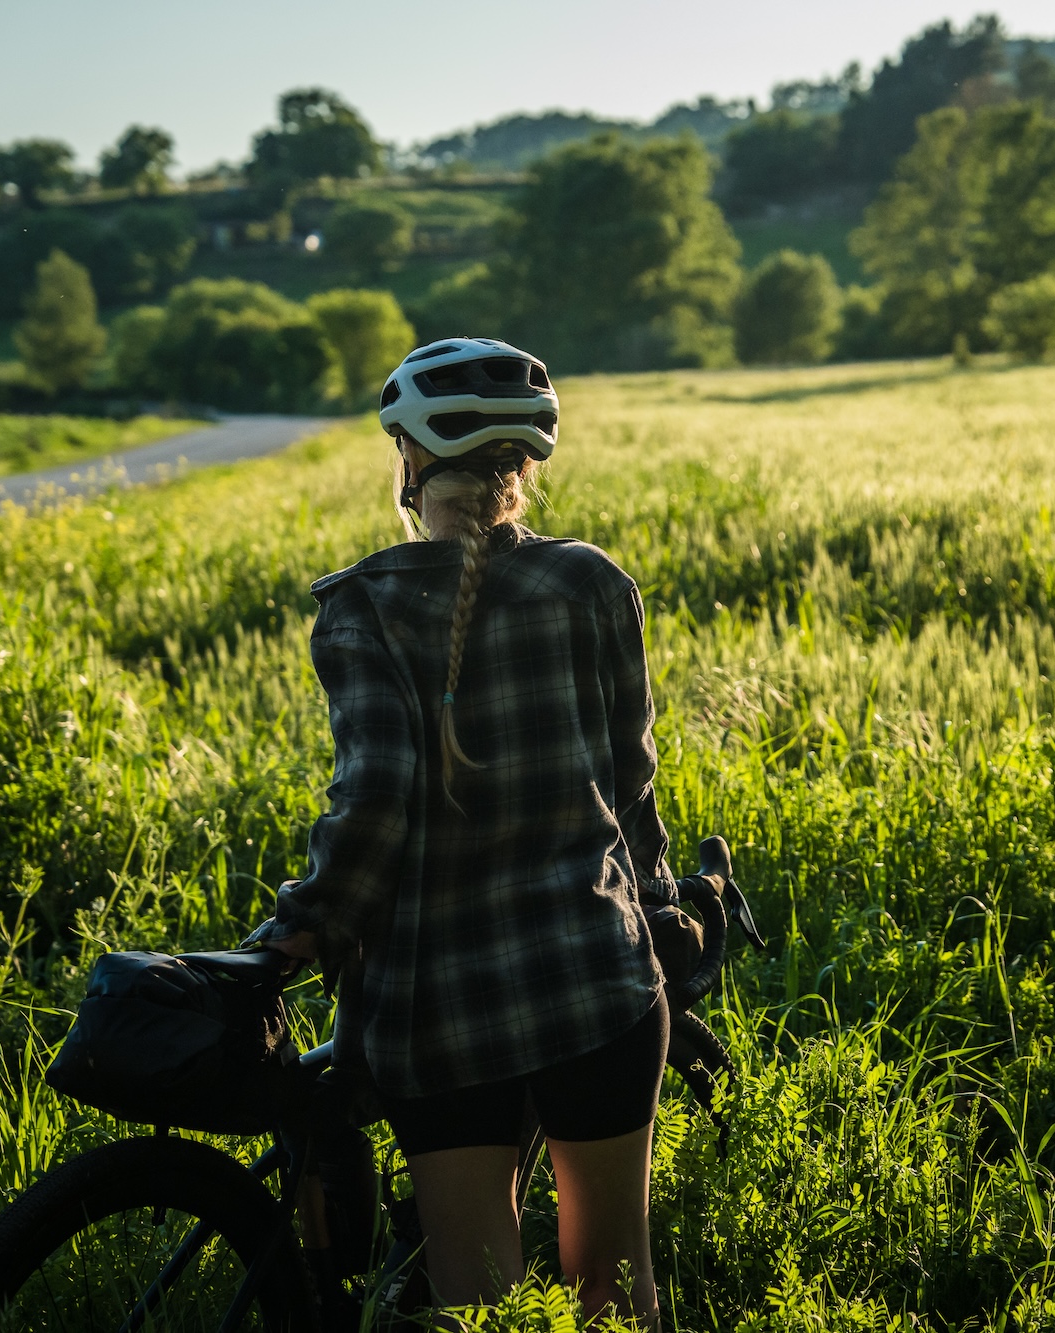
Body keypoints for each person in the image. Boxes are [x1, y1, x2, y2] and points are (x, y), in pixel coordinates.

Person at [268, 338, 672, 1324]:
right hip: (600, 982)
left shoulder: (362, 605)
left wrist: (304, 924)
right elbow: (633, 793)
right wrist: (659, 911)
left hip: (436, 1011)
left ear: (408, 457)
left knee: (476, 1302)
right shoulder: (591, 583)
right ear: (526, 462)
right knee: (616, 1285)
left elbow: (371, 802)